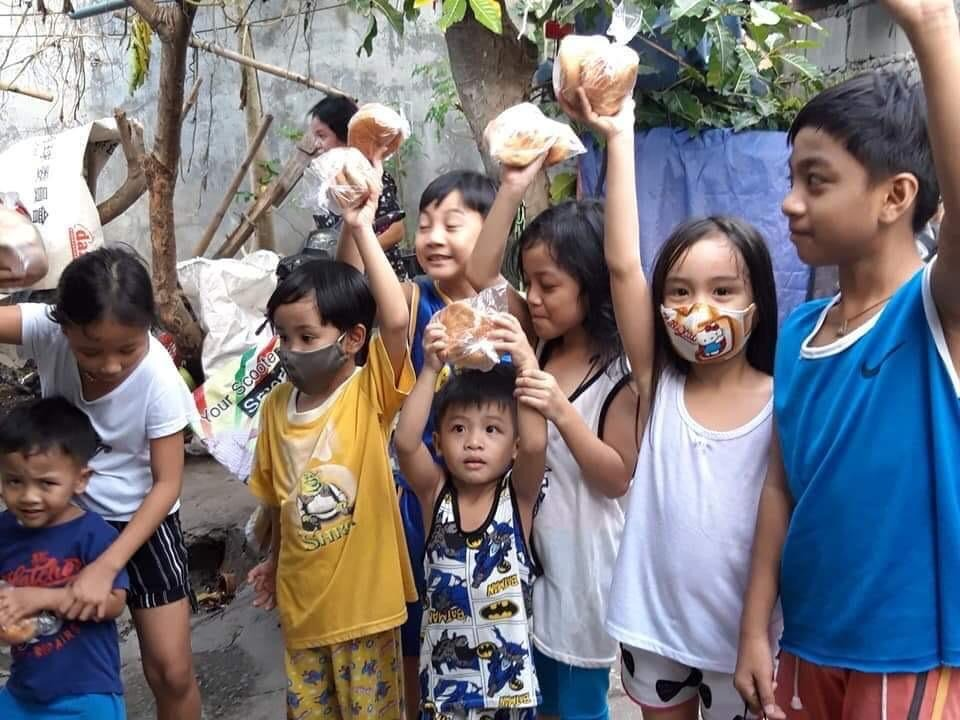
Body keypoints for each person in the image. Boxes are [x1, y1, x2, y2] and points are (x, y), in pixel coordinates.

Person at [734, 0, 960, 715]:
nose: (790, 203)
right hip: (807, 646)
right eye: (791, 178)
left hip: (909, 656)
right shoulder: (800, 332)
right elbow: (779, 488)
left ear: (897, 196)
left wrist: (930, 25)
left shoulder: (933, 311)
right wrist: (753, 627)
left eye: (817, 180)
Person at [556, 91, 780, 719]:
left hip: (743, 641)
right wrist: (619, 136)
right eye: (679, 291)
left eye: (722, 289)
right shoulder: (660, 386)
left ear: (755, 301)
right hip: (655, 630)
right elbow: (624, 264)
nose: (697, 307)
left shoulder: (783, 401)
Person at [467, 150, 638, 719]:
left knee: (580, 700)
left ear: (590, 287)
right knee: (533, 694)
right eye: (530, 283)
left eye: (549, 285)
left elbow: (617, 478)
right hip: (530, 557)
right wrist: (513, 187)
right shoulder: (538, 339)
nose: (533, 298)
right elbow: (480, 272)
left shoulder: (618, 376)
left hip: (584, 563)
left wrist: (561, 410)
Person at [0, 247, 200, 720]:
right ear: (63, 326)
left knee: (171, 671)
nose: (109, 364)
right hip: (61, 513)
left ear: (149, 329)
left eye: (126, 349)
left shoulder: (159, 381)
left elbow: (167, 485)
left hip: (142, 523)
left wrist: (105, 566)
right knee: (57, 656)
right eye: (90, 349)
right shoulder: (45, 332)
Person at [245, 169, 417, 719]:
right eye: (284, 337)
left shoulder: (367, 394)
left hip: (366, 611)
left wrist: (362, 227)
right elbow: (278, 502)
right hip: (302, 616)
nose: (291, 350)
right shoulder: (275, 410)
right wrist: (271, 563)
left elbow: (394, 318)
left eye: (307, 337)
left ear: (351, 341)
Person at [339, 169, 497, 717]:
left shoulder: (508, 308)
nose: (432, 237)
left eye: (452, 224)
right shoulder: (409, 298)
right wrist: (359, 225)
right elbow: (360, 298)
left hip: (492, 502)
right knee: (415, 635)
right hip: (417, 496)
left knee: (490, 634)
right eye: (425, 224)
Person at [393, 314, 547, 719]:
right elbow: (406, 442)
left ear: (513, 447)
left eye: (492, 430)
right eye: (459, 429)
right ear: (439, 441)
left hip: (509, 698)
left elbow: (536, 442)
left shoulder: (519, 498)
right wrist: (429, 369)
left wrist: (526, 360)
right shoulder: (434, 494)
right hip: (445, 697)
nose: (474, 442)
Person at [0, 397, 129, 720]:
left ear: (80, 479)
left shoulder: (92, 534)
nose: (29, 497)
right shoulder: (4, 530)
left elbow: (114, 602)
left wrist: (38, 598)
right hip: (22, 693)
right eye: (15, 481)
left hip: (87, 695)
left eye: (46, 484)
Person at [307, 95, 409, 279]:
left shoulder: (372, 179)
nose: (316, 145)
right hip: (347, 280)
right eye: (314, 136)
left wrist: (365, 251)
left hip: (383, 281)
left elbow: (396, 231)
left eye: (321, 136)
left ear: (343, 134)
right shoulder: (328, 188)